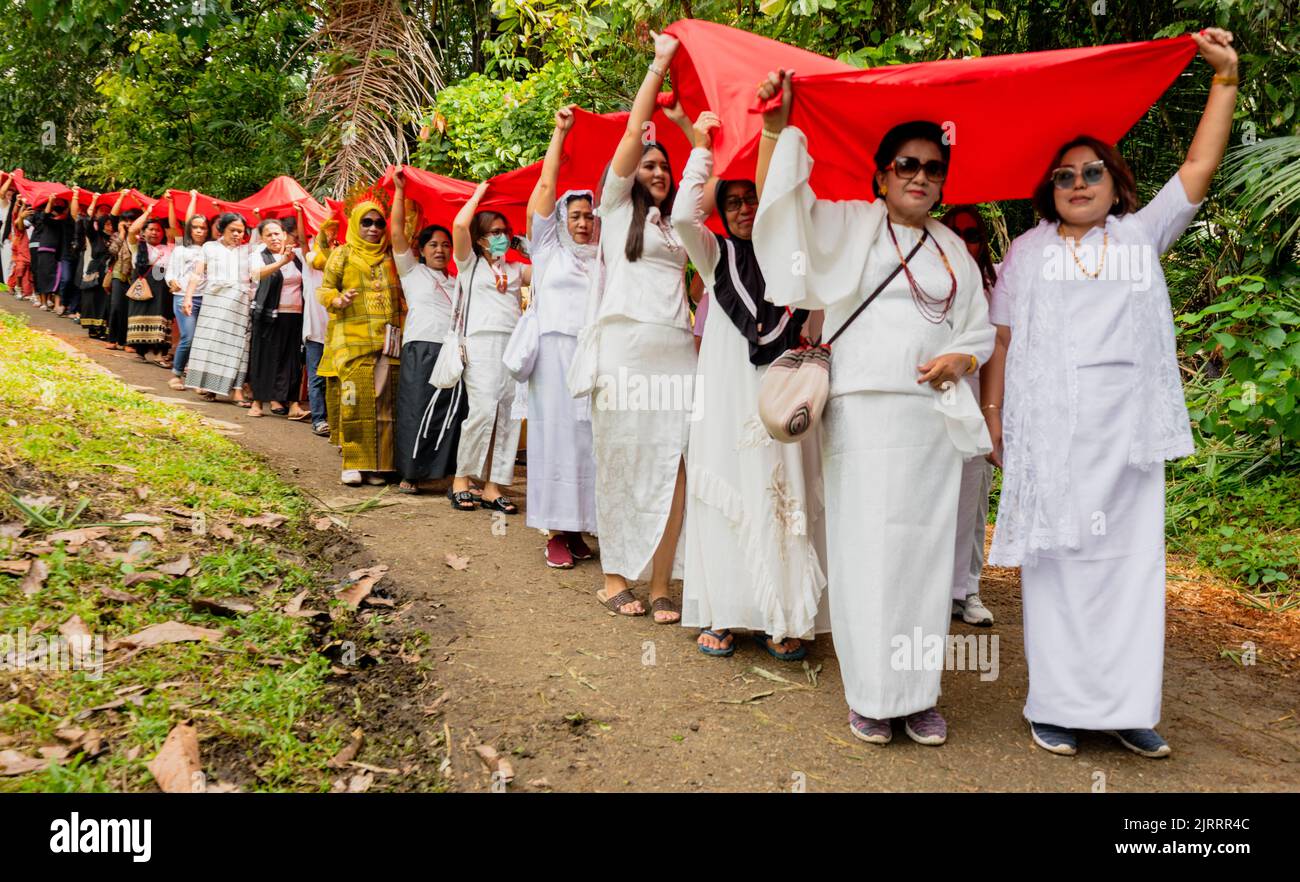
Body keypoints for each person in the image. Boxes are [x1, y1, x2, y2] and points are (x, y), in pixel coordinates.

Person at [983, 28, 1239, 760]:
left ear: (1114, 180)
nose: (1079, 183)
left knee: (1131, 569)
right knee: (1059, 570)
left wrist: (1224, 79)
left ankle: (1127, 709)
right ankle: (1058, 707)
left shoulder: (1138, 236)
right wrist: (993, 419)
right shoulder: (1027, 253)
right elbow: (1001, 342)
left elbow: (1198, 166)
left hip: (1128, 439)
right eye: (1064, 175)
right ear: (1049, 189)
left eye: (1092, 171)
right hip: (1052, 440)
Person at [753, 72, 994, 746]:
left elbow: (977, 328)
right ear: (882, 175)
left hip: (930, 420)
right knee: (866, 549)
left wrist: (961, 359)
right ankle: (870, 695)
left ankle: (916, 696)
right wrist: (775, 128)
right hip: (861, 413)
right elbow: (782, 209)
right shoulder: (850, 223)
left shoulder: (952, 247)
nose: (921, 177)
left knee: (923, 555)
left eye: (933, 169)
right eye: (907, 165)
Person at [671, 108, 827, 659]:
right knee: (728, 490)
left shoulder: (796, 261)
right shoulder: (714, 255)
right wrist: (701, 148)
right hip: (727, 395)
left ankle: (781, 617)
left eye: (752, 199)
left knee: (779, 492)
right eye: (733, 202)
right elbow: (682, 217)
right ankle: (724, 612)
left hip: (778, 395)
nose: (743, 210)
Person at [579, 31, 696, 623]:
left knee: (676, 464)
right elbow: (631, 135)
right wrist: (659, 67)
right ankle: (615, 576)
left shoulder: (681, 226)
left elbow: (710, 171)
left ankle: (661, 583)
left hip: (678, 354)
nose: (658, 170)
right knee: (622, 459)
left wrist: (688, 125)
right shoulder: (617, 207)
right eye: (649, 164)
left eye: (664, 165)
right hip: (624, 349)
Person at [522, 105, 600, 566]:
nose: (583, 223)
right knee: (554, 438)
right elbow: (546, 188)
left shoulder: (601, 257)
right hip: (553, 357)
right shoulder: (548, 249)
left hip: (590, 357)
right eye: (575, 216)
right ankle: (554, 531)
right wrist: (560, 134)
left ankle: (577, 528)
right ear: (561, 220)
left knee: (586, 441)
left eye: (588, 216)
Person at [448, 183, 530, 512]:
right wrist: (478, 197)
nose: (502, 237)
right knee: (482, 411)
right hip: (480, 343)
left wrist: (526, 247)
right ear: (481, 239)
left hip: (512, 346)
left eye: (505, 232)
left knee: (507, 416)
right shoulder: (469, 264)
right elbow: (459, 225)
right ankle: (461, 479)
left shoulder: (515, 269)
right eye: (495, 232)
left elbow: (549, 271)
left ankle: (492, 487)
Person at [316, 201, 406, 486]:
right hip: (352, 342)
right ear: (356, 224)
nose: (373, 228)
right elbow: (325, 288)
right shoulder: (343, 253)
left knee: (385, 405)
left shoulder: (392, 255)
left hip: (389, 342)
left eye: (379, 223)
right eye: (367, 222)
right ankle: (354, 463)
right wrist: (337, 299)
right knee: (354, 401)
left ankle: (378, 466)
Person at [940, 205, 998, 628]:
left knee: (971, 501)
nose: (963, 242)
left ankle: (967, 589)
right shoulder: (923, 281)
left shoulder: (995, 287)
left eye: (972, 234)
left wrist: (994, 413)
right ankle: (933, 590)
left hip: (976, 404)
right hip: (932, 403)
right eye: (954, 233)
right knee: (932, 498)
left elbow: (1001, 352)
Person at [390, 172, 465, 493]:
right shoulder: (412, 271)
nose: (440, 250)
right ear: (421, 249)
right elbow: (396, 231)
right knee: (416, 409)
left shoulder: (458, 281)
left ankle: (442, 473)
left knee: (449, 412)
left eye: (446, 245)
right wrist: (399, 191)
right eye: (433, 244)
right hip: (420, 348)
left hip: (451, 352)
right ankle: (409, 474)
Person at [183, 212, 253, 405]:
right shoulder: (209, 247)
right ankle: (210, 387)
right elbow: (197, 274)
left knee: (238, 346)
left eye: (241, 231)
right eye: (233, 230)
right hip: (213, 302)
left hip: (239, 304)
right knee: (210, 343)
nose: (237, 234)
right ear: (222, 229)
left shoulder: (247, 251)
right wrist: (188, 297)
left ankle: (237, 391)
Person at [247, 217, 305, 418]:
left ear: (285, 235)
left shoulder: (297, 255)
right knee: (263, 357)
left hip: (294, 315)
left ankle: (293, 404)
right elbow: (256, 274)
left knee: (292, 359)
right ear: (262, 238)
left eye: (277, 234)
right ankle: (257, 402)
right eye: (269, 235)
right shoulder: (259, 255)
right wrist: (281, 262)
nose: (274, 238)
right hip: (267, 314)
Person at [165, 193, 208, 389]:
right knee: (188, 337)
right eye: (195, 227)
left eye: (203, 227)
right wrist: (171, 281)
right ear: (190, 229)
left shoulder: (212, 249)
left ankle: (197, 379)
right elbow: (170, 272)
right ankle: (176, 374)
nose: (199, 230)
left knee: (202, 340)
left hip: (207, 299)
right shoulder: (181, 249)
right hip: (183, 297)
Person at [301, 213, 337, 438]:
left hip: (336, 334)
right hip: (315, 333)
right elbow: (304, 245)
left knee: (333, 379)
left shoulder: (341, 268)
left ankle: (333, 421)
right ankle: (319, 419)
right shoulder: (311, 268)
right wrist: (300, 214)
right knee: (316, 378)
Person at [126, 213, 175, 365]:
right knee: (139, 315)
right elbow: (132, 230)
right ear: (144, 231)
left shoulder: (169, 248)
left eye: (158, 230)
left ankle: (159, 354)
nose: (154, 232)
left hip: (161, 288)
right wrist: (148, 212)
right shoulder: (137, 246)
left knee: (161, 317)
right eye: (151, 229)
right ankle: (140, 352)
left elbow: (174, 231)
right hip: (141, 287)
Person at [74, 195, 115, 339]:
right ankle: (92, 328)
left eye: (111, 224)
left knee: (105, 300)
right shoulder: (95, 236)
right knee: (91, 299)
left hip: (108, 271)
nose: (110, 227)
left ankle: (103, 328)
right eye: (107, 224)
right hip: (95, 270)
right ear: (102, 225)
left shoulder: (115, 238)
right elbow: (89, 222)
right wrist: (94, 201)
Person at [103, 206, 144, 351]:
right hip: (118, 273)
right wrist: (121, 234)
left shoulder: (143, 236)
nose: (129, 223)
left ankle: (127, 341)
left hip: (136, 276)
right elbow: (112, 250)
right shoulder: (117, 235)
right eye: (126, 220)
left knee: (130, 309)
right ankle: (112, 339)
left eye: (132, 220)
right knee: (116, 307)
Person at [28, 194, 74, 313]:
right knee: (43, 275)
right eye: (56, 203)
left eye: (61, 203)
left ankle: (53, 302)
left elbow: (71, 215)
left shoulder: (65, 221)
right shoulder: (47, 219)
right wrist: (50, 201)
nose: (58, 204)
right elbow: (44, 216)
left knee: (56, 277)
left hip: (59, 252)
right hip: (45, 248)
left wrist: (69, 202)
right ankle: (44, 302)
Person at [6, 197, 34, 299]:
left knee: (30, 272)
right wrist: (20, 204)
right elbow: (16, 221)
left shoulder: (35, 216)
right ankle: (15, 287)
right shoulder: (22, 216)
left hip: (31, 248)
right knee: (19, 268)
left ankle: (29, 291)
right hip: (21, 246)